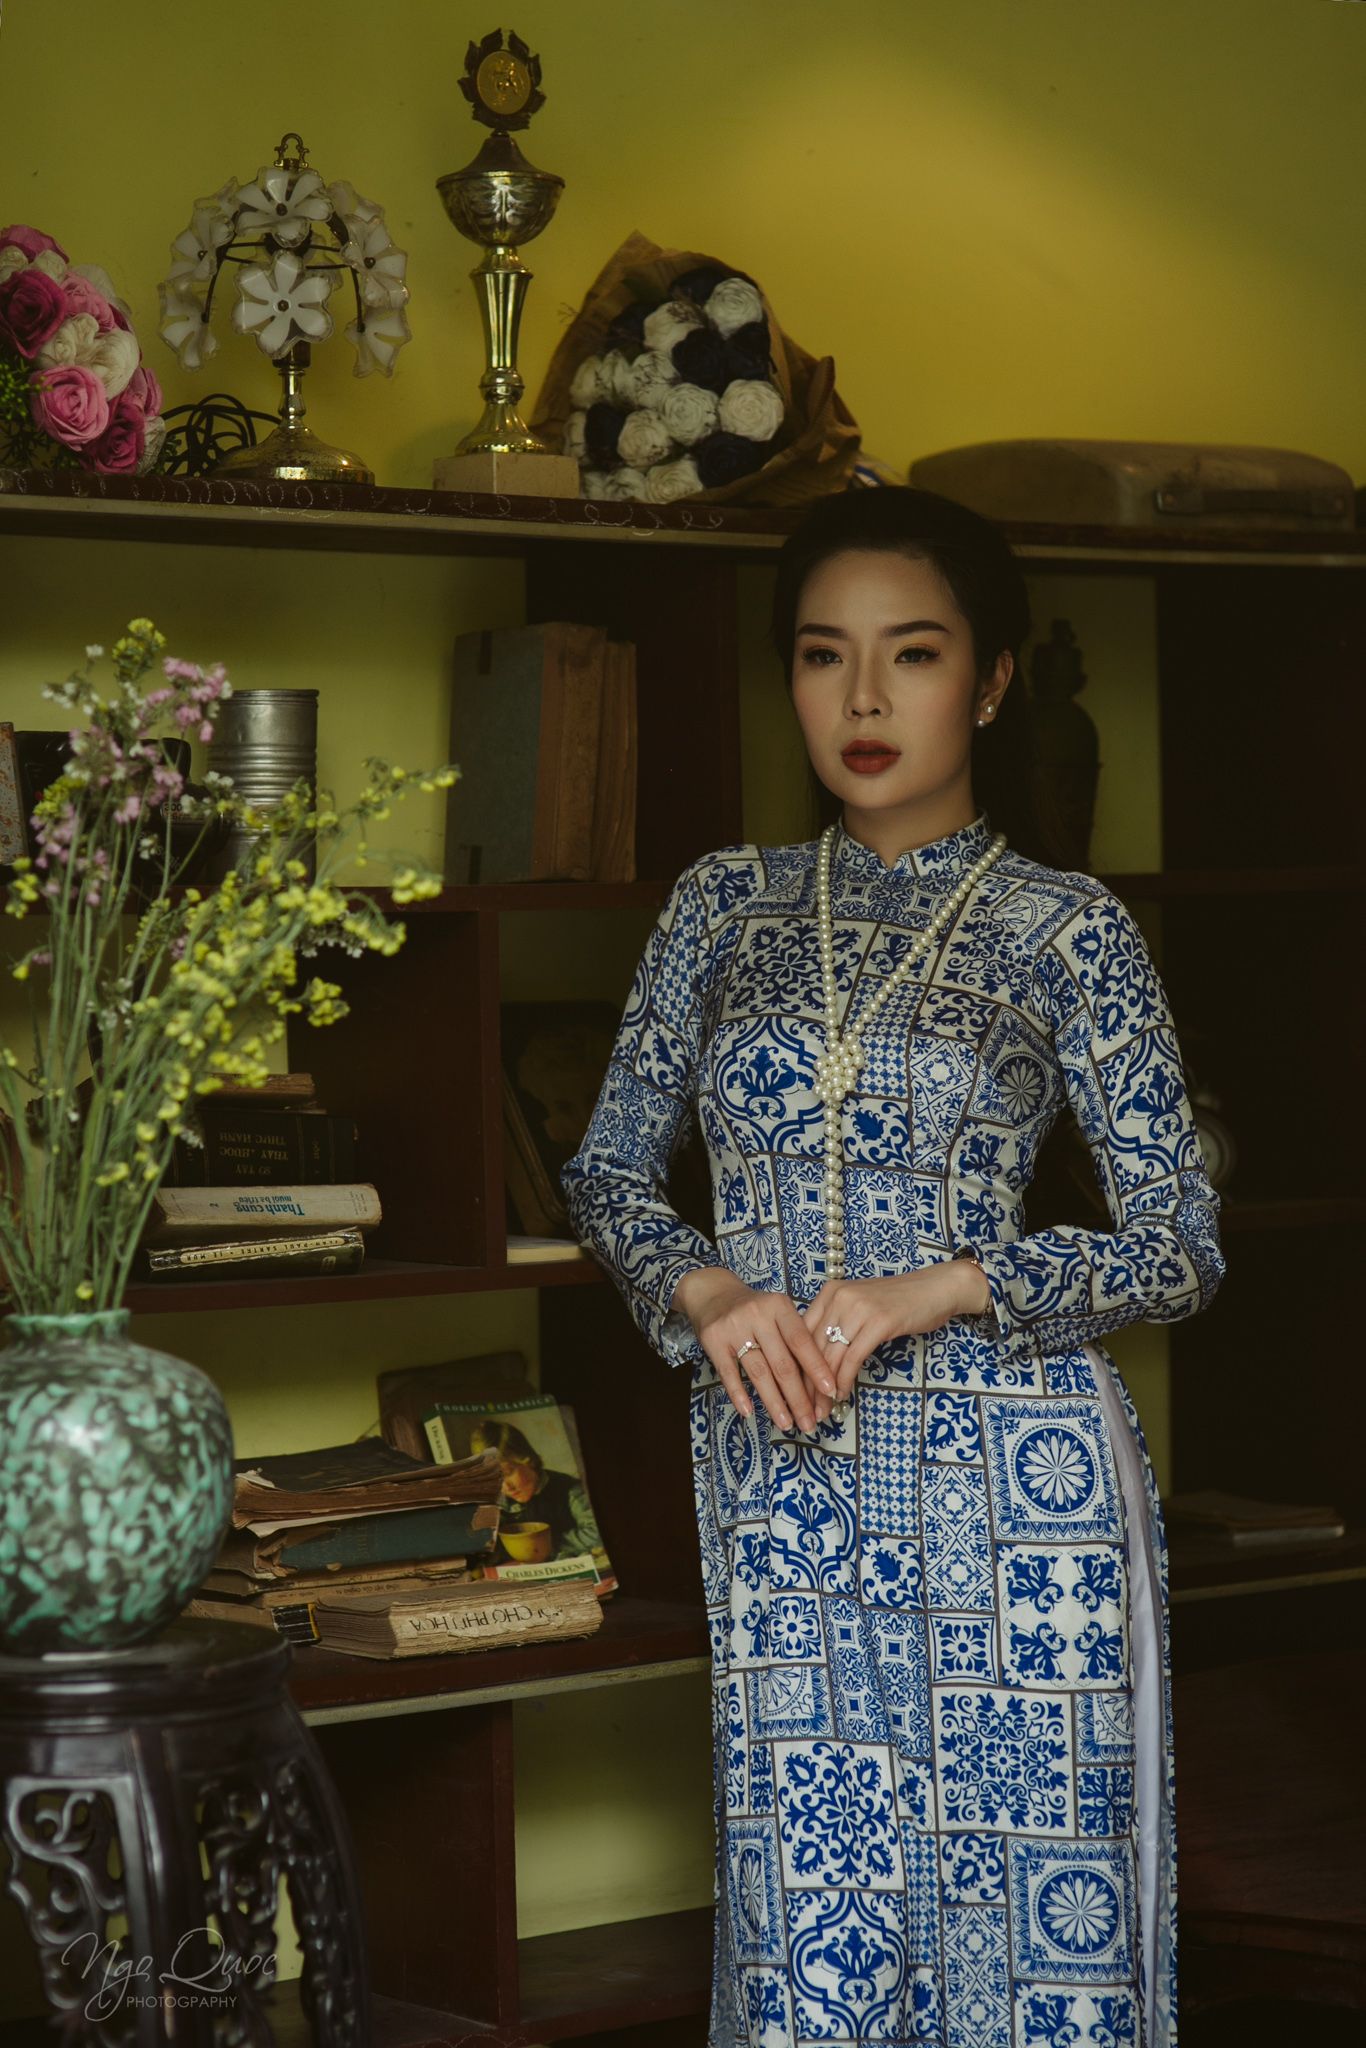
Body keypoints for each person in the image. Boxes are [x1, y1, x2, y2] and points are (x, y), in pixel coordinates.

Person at [559, 485, 1225, 2048]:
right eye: (822, 655)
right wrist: (710, 1293)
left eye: (910, 655)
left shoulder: (1066, 929)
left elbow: (1177, 1244)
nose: (861, 699)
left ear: (987, 683)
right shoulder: (721, 905)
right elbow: (604, 1172)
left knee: (1029, 1944)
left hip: (1017, 1493)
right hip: (782, 1458)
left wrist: (944, 1286)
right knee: (816, 1934)